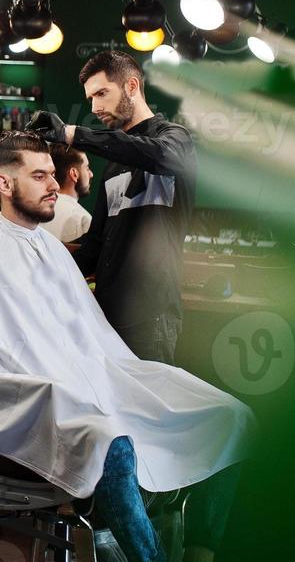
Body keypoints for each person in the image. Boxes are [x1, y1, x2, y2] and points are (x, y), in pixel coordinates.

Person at [0, 133, 251, 562]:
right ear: (3, 182)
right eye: (39, 176)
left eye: (53, 174)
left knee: (231, 416)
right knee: (113, 441)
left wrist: (116, 380)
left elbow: (93, 342)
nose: (55, 186)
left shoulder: (50, 249)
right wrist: (54, 386)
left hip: (94, 384)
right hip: (26, 402)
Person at [28, 50, 197, 364]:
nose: (95, 107)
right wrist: (41, 280)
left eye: (102, 93)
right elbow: (96, 246)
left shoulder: (175, 140)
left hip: (152, 315)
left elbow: (160, 155)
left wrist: (71, 134)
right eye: (90, 98)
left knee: (148, 409)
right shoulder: (113, 166)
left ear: (132, 87)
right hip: (104, 316)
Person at [40, 143, 93, 243]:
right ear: (74, 174)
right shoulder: (82, 219)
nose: (91, 174)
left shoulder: (33, 213)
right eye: (87, 168)